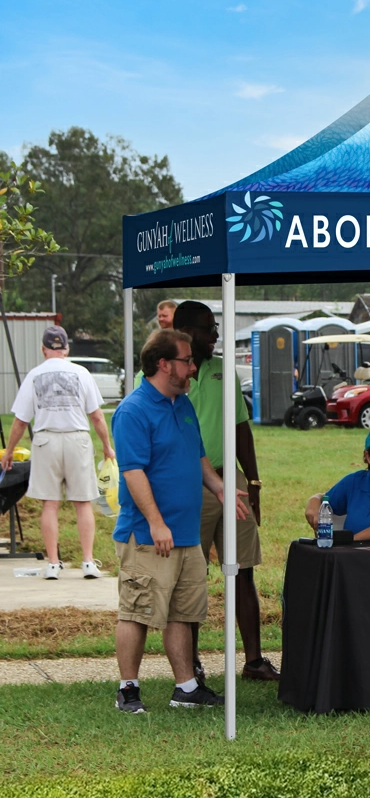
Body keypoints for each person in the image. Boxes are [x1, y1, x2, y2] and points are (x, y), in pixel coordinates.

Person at [111, 329, 248, 713]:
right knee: (137, 610)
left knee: (183, 612)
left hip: (187, 532)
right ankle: (128, 689)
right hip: (148, 534)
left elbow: (198, 455)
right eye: (186, 361)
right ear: (163, 364)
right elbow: (133, 471)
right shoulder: (133, 410)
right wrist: (156, 522)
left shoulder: (182, 404)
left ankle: (186, 687)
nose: (192, 367)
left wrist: (219, 487)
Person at [173, 301, 279, 682]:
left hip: (229, 481)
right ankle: (193, 663)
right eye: (207, 328)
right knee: (191, 576)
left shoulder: (224, 372)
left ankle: (253, 661)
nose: (215, 334)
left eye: (215, 327)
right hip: (188, 485)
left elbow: (240, 429)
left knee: (243, 571)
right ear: (185, 331)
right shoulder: (165, 375)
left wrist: (252, 482)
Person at [1, 325, 115, 580]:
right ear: (66, 349)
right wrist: (107, 446)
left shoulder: (34, 375)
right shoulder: (81, 372)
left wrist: (9, 452)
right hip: (77, 440)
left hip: (45, 441)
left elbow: (20, 421)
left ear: (43, 349)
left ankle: (53, 563)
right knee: (83, 502)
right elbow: (96, 416)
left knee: (50, 504)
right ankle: (87, 561)